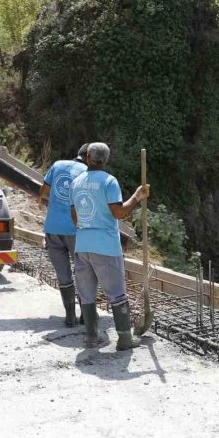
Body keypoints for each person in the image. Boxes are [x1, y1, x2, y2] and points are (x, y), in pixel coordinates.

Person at [70, 142, 149, 350]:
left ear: (88, 158)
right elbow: (119, 213)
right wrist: (137, 197)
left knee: (86, 294)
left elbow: (75, 218)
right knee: (116, 292)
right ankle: (124, 339)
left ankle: (91, 338)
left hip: (82, 245)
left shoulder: (76, 182)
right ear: (105, 160)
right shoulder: (109, 182)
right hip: (105, 246)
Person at [39, 143, 90, 326]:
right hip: (75, 230)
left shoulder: (58, 165)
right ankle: (86, 316)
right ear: (90, 158)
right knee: (84, 271)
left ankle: (69, 317)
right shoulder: (87, 173)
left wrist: (55, 207)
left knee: (63, 274)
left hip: (52, 228)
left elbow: (43, 193)